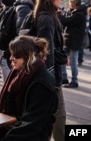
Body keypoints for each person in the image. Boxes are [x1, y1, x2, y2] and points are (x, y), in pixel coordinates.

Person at [0, 35, 58, 141]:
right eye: (11, 54)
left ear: (28, 56)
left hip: (30, 136)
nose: (11, 58)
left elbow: (31, 124)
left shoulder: (42, 83)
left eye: (15, 55)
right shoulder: (19, 72)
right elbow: (3, 103)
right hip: (11, 127)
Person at [34, 0, 66, 140]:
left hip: (44, 75)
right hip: (49, 76)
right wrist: (50, 78)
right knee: (58, 114)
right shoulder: (46, 18)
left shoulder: (41, 15)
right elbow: (46, 52)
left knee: (46, 115)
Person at [60, 0, 86, 88]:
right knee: (62, 59)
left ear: (75, 3)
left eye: (70, 2)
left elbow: (67, 22)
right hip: (67, 40)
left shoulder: (79, 14)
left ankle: (74, 80)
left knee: (73, 61)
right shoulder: (73, 12)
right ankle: (64, 78)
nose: (69, 3)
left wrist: (59, 14)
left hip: (74, 41)